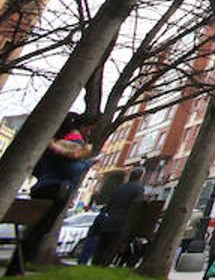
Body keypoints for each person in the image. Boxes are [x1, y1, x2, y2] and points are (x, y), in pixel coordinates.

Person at [14, 112, 98, 270]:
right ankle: (20, 266)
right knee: (40, 230)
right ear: (82, 126)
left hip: (40, 187)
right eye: (89, 129)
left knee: (32, 230)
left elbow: (38, 168)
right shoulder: (74, 141)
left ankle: (17, 265)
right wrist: (89, 163)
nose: (89, 133)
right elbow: (70, 169)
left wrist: (45, 176)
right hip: (57, 189)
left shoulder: (55, 140)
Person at [93, 166, 146, 266]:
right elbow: (135, 207)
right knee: (112, 247)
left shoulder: (120, 187)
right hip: (122, 223)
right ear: (141, 177)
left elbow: (109, 205)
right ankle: (103, 266)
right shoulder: (139, 188)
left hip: (109, 220)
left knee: (102, 245)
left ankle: (94, 265)